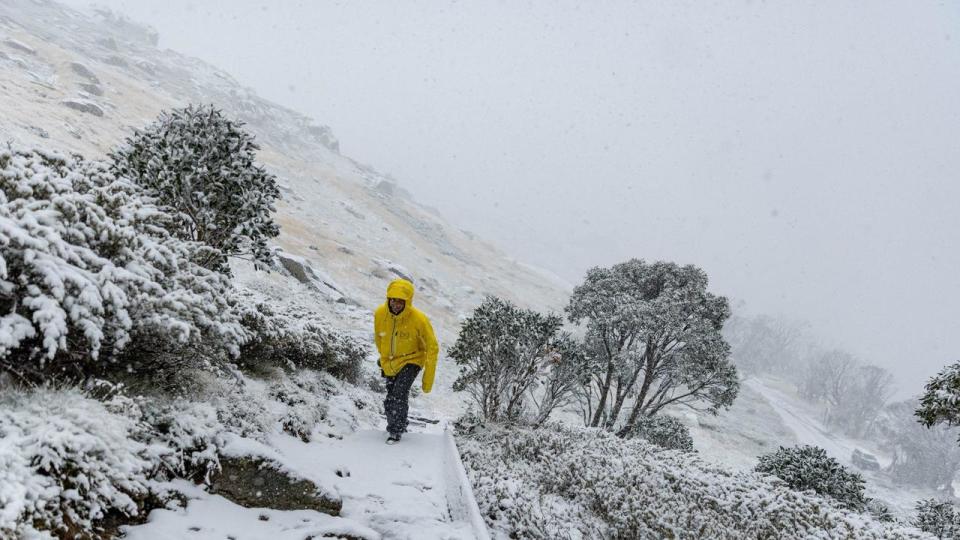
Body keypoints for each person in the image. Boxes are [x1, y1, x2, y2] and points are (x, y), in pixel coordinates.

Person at [373, 278, 439, 444]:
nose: (395, 304)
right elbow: (379, 337)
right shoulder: (380, 314)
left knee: (398, 394)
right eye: (393, 300)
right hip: (390, 362)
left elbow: (432, 347)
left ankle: (394, 431)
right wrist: (383, 358)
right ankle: (400, 423)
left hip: (413, 359)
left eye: (400, 301)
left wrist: (428, 378)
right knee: (392, 395)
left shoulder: (419, 320)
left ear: (407, 302)